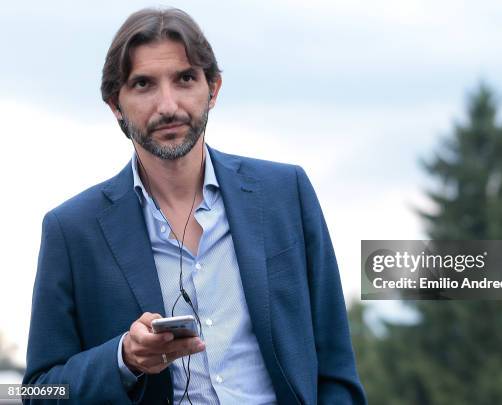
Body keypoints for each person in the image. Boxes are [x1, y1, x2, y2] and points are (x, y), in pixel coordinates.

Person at [23, 7, 366, 405]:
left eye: (185, 79)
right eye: (144, 85)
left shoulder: (286, 193)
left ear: (213, 88)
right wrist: (124, 359)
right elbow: (34, 392)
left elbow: (336, 370)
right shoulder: (71, 230)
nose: (168, 105)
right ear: (115, 105)